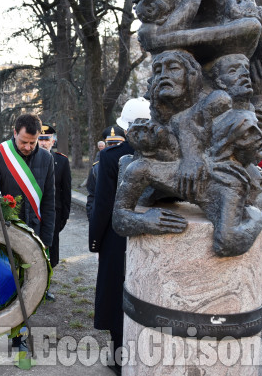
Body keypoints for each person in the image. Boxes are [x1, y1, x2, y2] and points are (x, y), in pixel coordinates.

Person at [0, 113, 55, 353]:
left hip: (32, 234)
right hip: (1, 231)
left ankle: (17, 335)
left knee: (25, 287)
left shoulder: (46, 158)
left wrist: (47, 240)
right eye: (24, 141)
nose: (28, 147)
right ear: (14, 132)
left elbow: (50, 201)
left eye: (33, 142)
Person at [89, 98, 150, 375]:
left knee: (116, 295)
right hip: (151, 232)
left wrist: (95, 240)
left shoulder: (111, 157)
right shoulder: (160, 154)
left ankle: (119, 356)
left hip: (118, 235)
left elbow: (102, 205)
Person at [37, 124, 71, 301]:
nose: (43, 143)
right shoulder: (29, 160)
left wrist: (64, 217)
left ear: (53, 141)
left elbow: (66, 192)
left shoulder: (62, 161)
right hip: (34, 213)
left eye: (46, 139)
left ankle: (45, 287)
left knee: (52, 252)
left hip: (54, 215)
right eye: (40, 139)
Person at [87, 126, 126, 219]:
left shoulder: (132, 165)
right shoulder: (96, 168)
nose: (113, 147)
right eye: (110, 144)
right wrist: (91, 217)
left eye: (116, 144)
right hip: (104, 217)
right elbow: (92, 196)